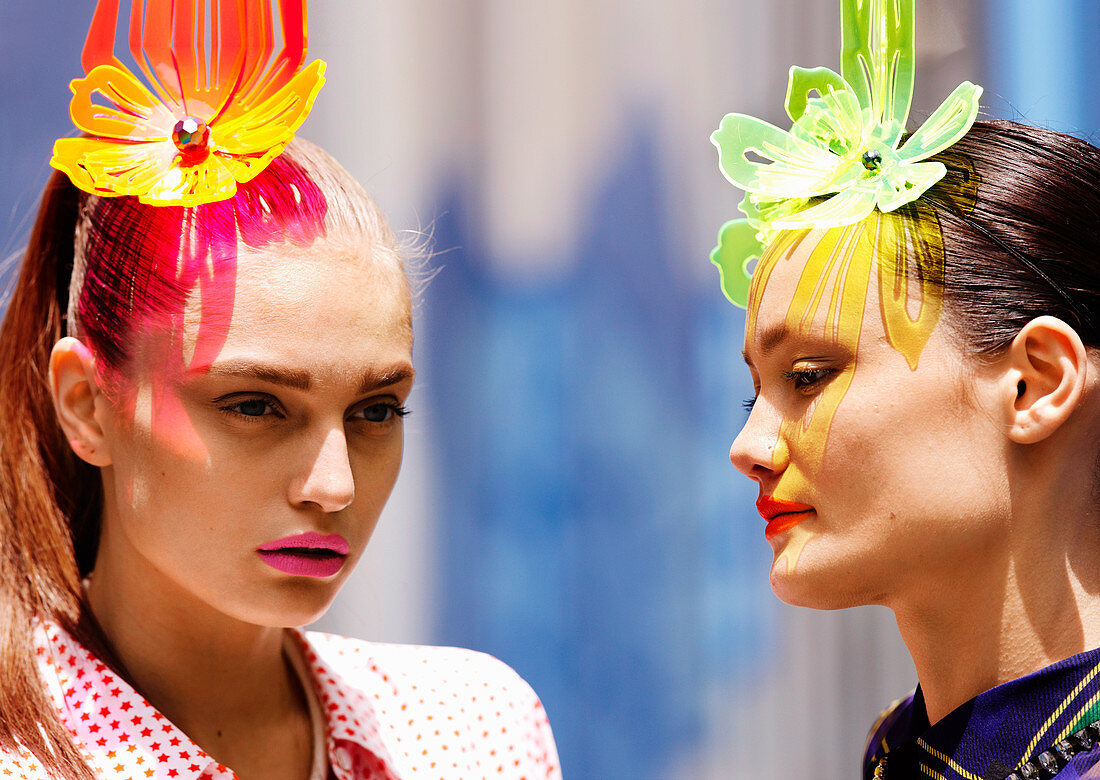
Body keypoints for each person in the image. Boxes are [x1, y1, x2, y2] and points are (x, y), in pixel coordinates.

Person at [0, 2, 560, 779]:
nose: (334, 485)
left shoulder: (473, 731)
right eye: (255, 406)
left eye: (375, 410)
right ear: (86, 405)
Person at [711, 1, 1100, 779]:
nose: (748, 448)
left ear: (1036, 384)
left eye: (809, 377)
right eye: (753, 392)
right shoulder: (902, 755)